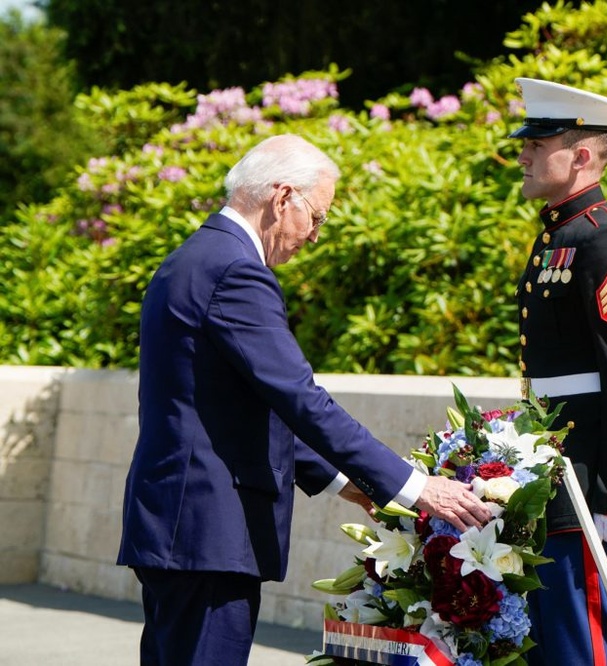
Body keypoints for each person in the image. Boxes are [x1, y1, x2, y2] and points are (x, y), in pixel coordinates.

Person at [117, 134, 492, 666]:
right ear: (282, 197)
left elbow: (243, 405)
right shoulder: (235, 270)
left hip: (185, 527)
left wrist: (351, 484)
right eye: (316, 217)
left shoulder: (196, 258)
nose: (314, 235)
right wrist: (413, 486)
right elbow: (299, 397)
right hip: (207, 530)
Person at [510, 78, 607, 666]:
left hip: (586, 480)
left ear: (581, 155)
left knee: (587, 648)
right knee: (550, 645)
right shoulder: (559, 236)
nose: (523, 152)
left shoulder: (604, 242)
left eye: (539, 141)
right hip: (552, 471)